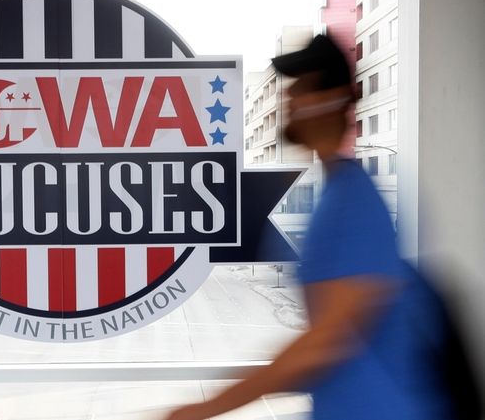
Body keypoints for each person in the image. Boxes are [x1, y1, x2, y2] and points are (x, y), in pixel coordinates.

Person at [163, 34, 451, 420]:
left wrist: (206, 408)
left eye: (301, 90)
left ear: (335, 99)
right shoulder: (333, 196)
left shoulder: (355, 204)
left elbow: (326, 345)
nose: (289, 101)